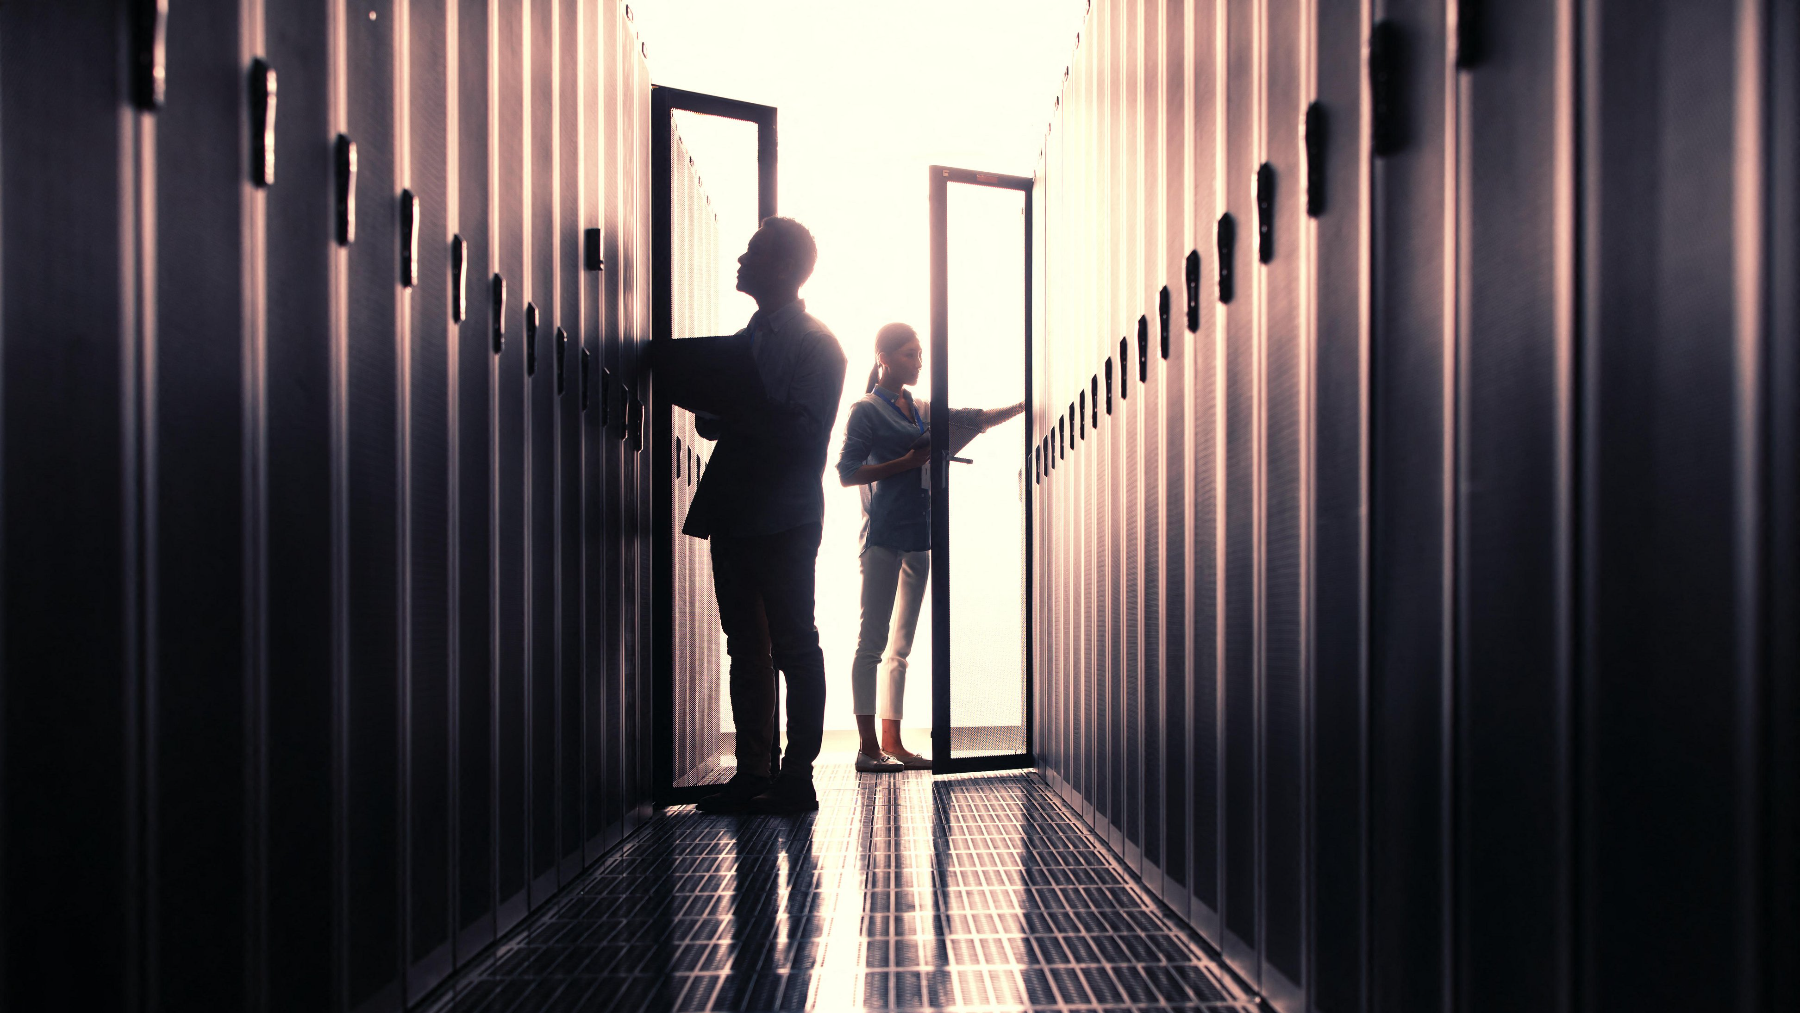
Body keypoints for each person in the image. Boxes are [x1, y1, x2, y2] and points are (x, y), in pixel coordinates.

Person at [647, 217, 847, 815]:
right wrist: (724, 407)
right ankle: (752, 772)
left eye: (754, 251)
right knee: (744, 647)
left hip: (785, 515)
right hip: (735, 510)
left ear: (782, 268)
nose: (741, 258)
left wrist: (739, 410)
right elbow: (723, 420)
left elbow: (808, 434)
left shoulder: (818, 344)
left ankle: (798, 777)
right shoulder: (747, 338)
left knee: (794, 644)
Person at [834, 323, 1023, 772]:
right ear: (882, 356)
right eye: (909, 354)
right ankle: (866, 750)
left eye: (920, 355)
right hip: (882, 535)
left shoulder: (919, 408)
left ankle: (893, 743)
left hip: (920, 534)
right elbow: (846, 472)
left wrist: (1022, 405)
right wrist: (906, 461)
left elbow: (971, 418)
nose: (918, 362)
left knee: (901, 648)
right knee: (871, 643)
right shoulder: (864, 410)